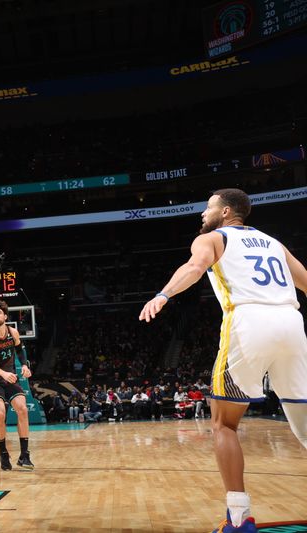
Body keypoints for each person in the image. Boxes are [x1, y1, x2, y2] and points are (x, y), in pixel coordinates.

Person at [139, 188, 307, 533]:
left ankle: (238, 518)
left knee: (224, 424)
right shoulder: (274, 242)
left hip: (248, 322)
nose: (202, 213)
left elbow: (194, 268)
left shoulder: (213, 238)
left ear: (226, 212)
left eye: (208, 207)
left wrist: (163, 294)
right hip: (292, 323)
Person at [0, 300, 33, 471]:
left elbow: (19, 350)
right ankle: (3, 453)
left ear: (5, 316)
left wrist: (24, 365)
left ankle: (24, 455)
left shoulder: (13, 332)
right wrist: (3, 374)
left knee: (23, 410)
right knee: (0, 414)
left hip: (10, 379)